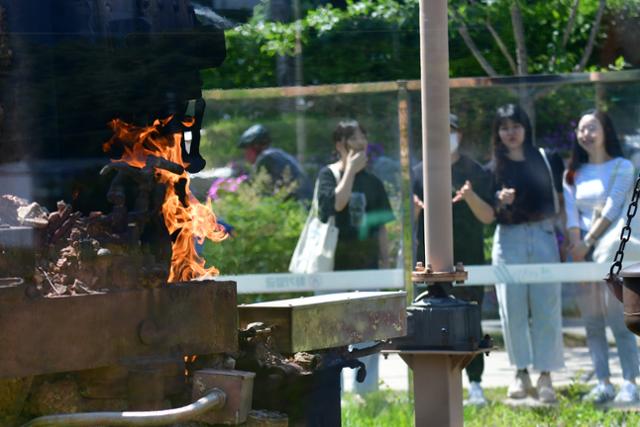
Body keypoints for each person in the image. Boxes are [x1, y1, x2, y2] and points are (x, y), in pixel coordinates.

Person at [413, 113, 495, 405]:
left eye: (451, 131)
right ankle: (432, 391)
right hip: (428, 266)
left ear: (459, 134)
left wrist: (470, 196)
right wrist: (415, 209)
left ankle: (475, 385)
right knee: (427, 323)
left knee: (470, 322)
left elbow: (488, 216)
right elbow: (405, 220)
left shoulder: (476, 171)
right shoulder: (419, 171)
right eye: (439, 131)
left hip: (468, 260)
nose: (445, 137)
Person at [490, 103, 565, 403]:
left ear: (526, 128)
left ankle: (546, 374)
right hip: (509, 239)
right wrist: (499, 199)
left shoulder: (547, 159)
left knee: (547, 306)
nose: (511, 133)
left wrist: (569, 236)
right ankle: (520, 373)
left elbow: (561, 198)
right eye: (504, 127)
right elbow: (488, 208)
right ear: (497, 132)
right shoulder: (494, 166)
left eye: (516, 126)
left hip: (544, 234)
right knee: (513, 308)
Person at [563, 109, 640, 403]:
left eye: (592, 127)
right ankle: (603, 382)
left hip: (610, 254)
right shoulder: (572, 173)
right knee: (592, 322)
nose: (586, 134)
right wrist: (577, 250)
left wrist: (589, 242)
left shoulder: (622, 166)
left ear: (606, 130)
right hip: (582, 256)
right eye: (581, 129)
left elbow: (613, 206)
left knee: (618, 318)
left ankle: (630, 382)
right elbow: (571, 215)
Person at [316, 120, 395, 395]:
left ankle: (366, 393)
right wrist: (349, 170)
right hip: (332, 268)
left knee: (367, 333)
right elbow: (336, 205)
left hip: (367, 266)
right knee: (329, 335)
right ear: (340, 145)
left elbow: (381, 226)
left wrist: (386, 261)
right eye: (354, 139)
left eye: (363, 137)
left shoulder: (373, 181)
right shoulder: (327, 175)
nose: (361, 144)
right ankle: (330, 392)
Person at [237, 124, 313, 200]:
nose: (245, 154)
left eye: (246, 149)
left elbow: (257, 189)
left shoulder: (267, 158)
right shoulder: (277, 155)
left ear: (256, 147)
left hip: (298, 205)